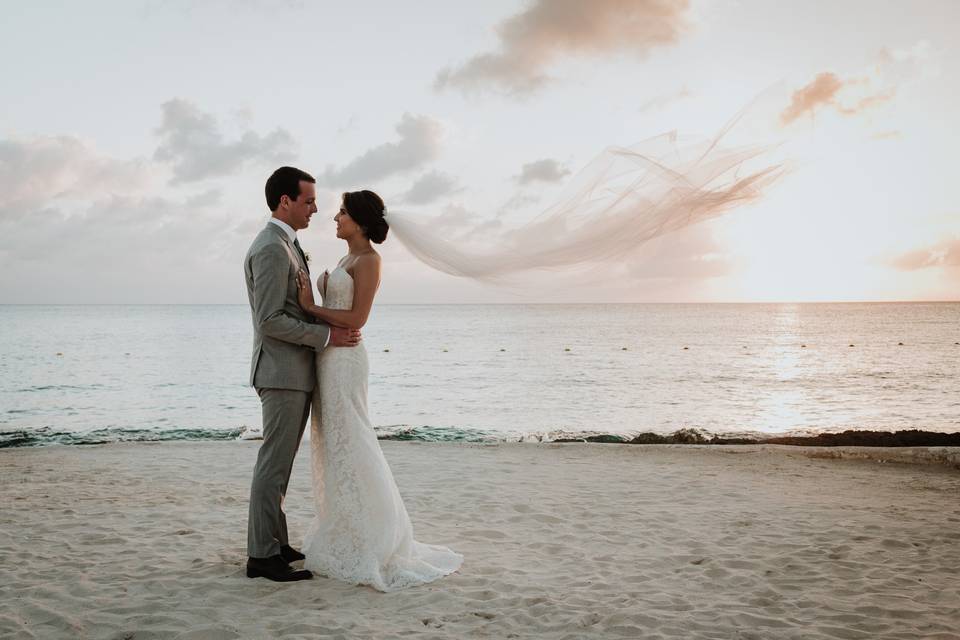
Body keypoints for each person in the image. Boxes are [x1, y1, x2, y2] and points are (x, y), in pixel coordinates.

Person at [295, 189, 464, 592]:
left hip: (346, 363)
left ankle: (377, 537)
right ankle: (346, 527)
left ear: (359, 219)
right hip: (327, 358)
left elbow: (357, 318)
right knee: (335, 445)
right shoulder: (343, 259)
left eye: (341, 212)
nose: (334, 217)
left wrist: (309, 306)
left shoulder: (370, 261)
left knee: (354, 440)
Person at [243, 167, 361, 582]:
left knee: (280, 465)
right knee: (272, 467)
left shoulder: (287, 243)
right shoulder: (272, 248)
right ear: (284, 202)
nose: (315, 208)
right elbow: (271, 319)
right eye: (308, 201)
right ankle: (261, 556)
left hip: (291, 372)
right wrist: (326, 335)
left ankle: (276, 542)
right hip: (281, 372)